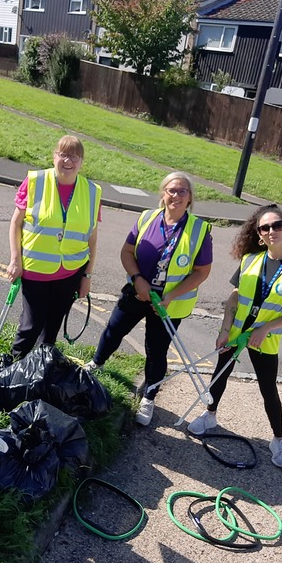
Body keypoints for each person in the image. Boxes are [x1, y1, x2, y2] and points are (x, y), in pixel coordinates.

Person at [187, 204, 282, 469]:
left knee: (268, 388)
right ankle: (210, 415)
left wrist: (266, 328)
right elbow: (234, 298)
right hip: (236, 331)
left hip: (264, 338)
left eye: (277, 225)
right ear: (259, 234)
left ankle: (278, 440)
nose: (272, 231)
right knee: (220, 374)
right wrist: (225, 330)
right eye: (265, 227)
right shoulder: (250, 259)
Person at [83, 172, 212, 426]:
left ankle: (149, 397)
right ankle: (96, 364)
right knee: (113, 330)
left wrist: (171, 296)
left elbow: (202, 271)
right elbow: (127, 251)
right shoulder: (147, 217)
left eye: (182, 191)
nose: (176, 195)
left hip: (168, 305)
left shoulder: (200, 229)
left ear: (190, 199)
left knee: (156, 351)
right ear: (163, 194)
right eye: (171, 190)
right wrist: (137, 279)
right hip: (137, 292)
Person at [6, 135, 101, 359]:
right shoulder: (36, 181)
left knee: (51, 330)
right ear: (54, 156)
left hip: (70, 272)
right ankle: (12, 365)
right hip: (36, 270)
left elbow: (92, 238)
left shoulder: (92, 191)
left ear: (81, 161)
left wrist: (87, 275)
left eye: (74, 156)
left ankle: (39, 369)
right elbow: (16, 223)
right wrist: (15, 260)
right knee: (31, 325)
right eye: (63, 154)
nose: (68, 161)